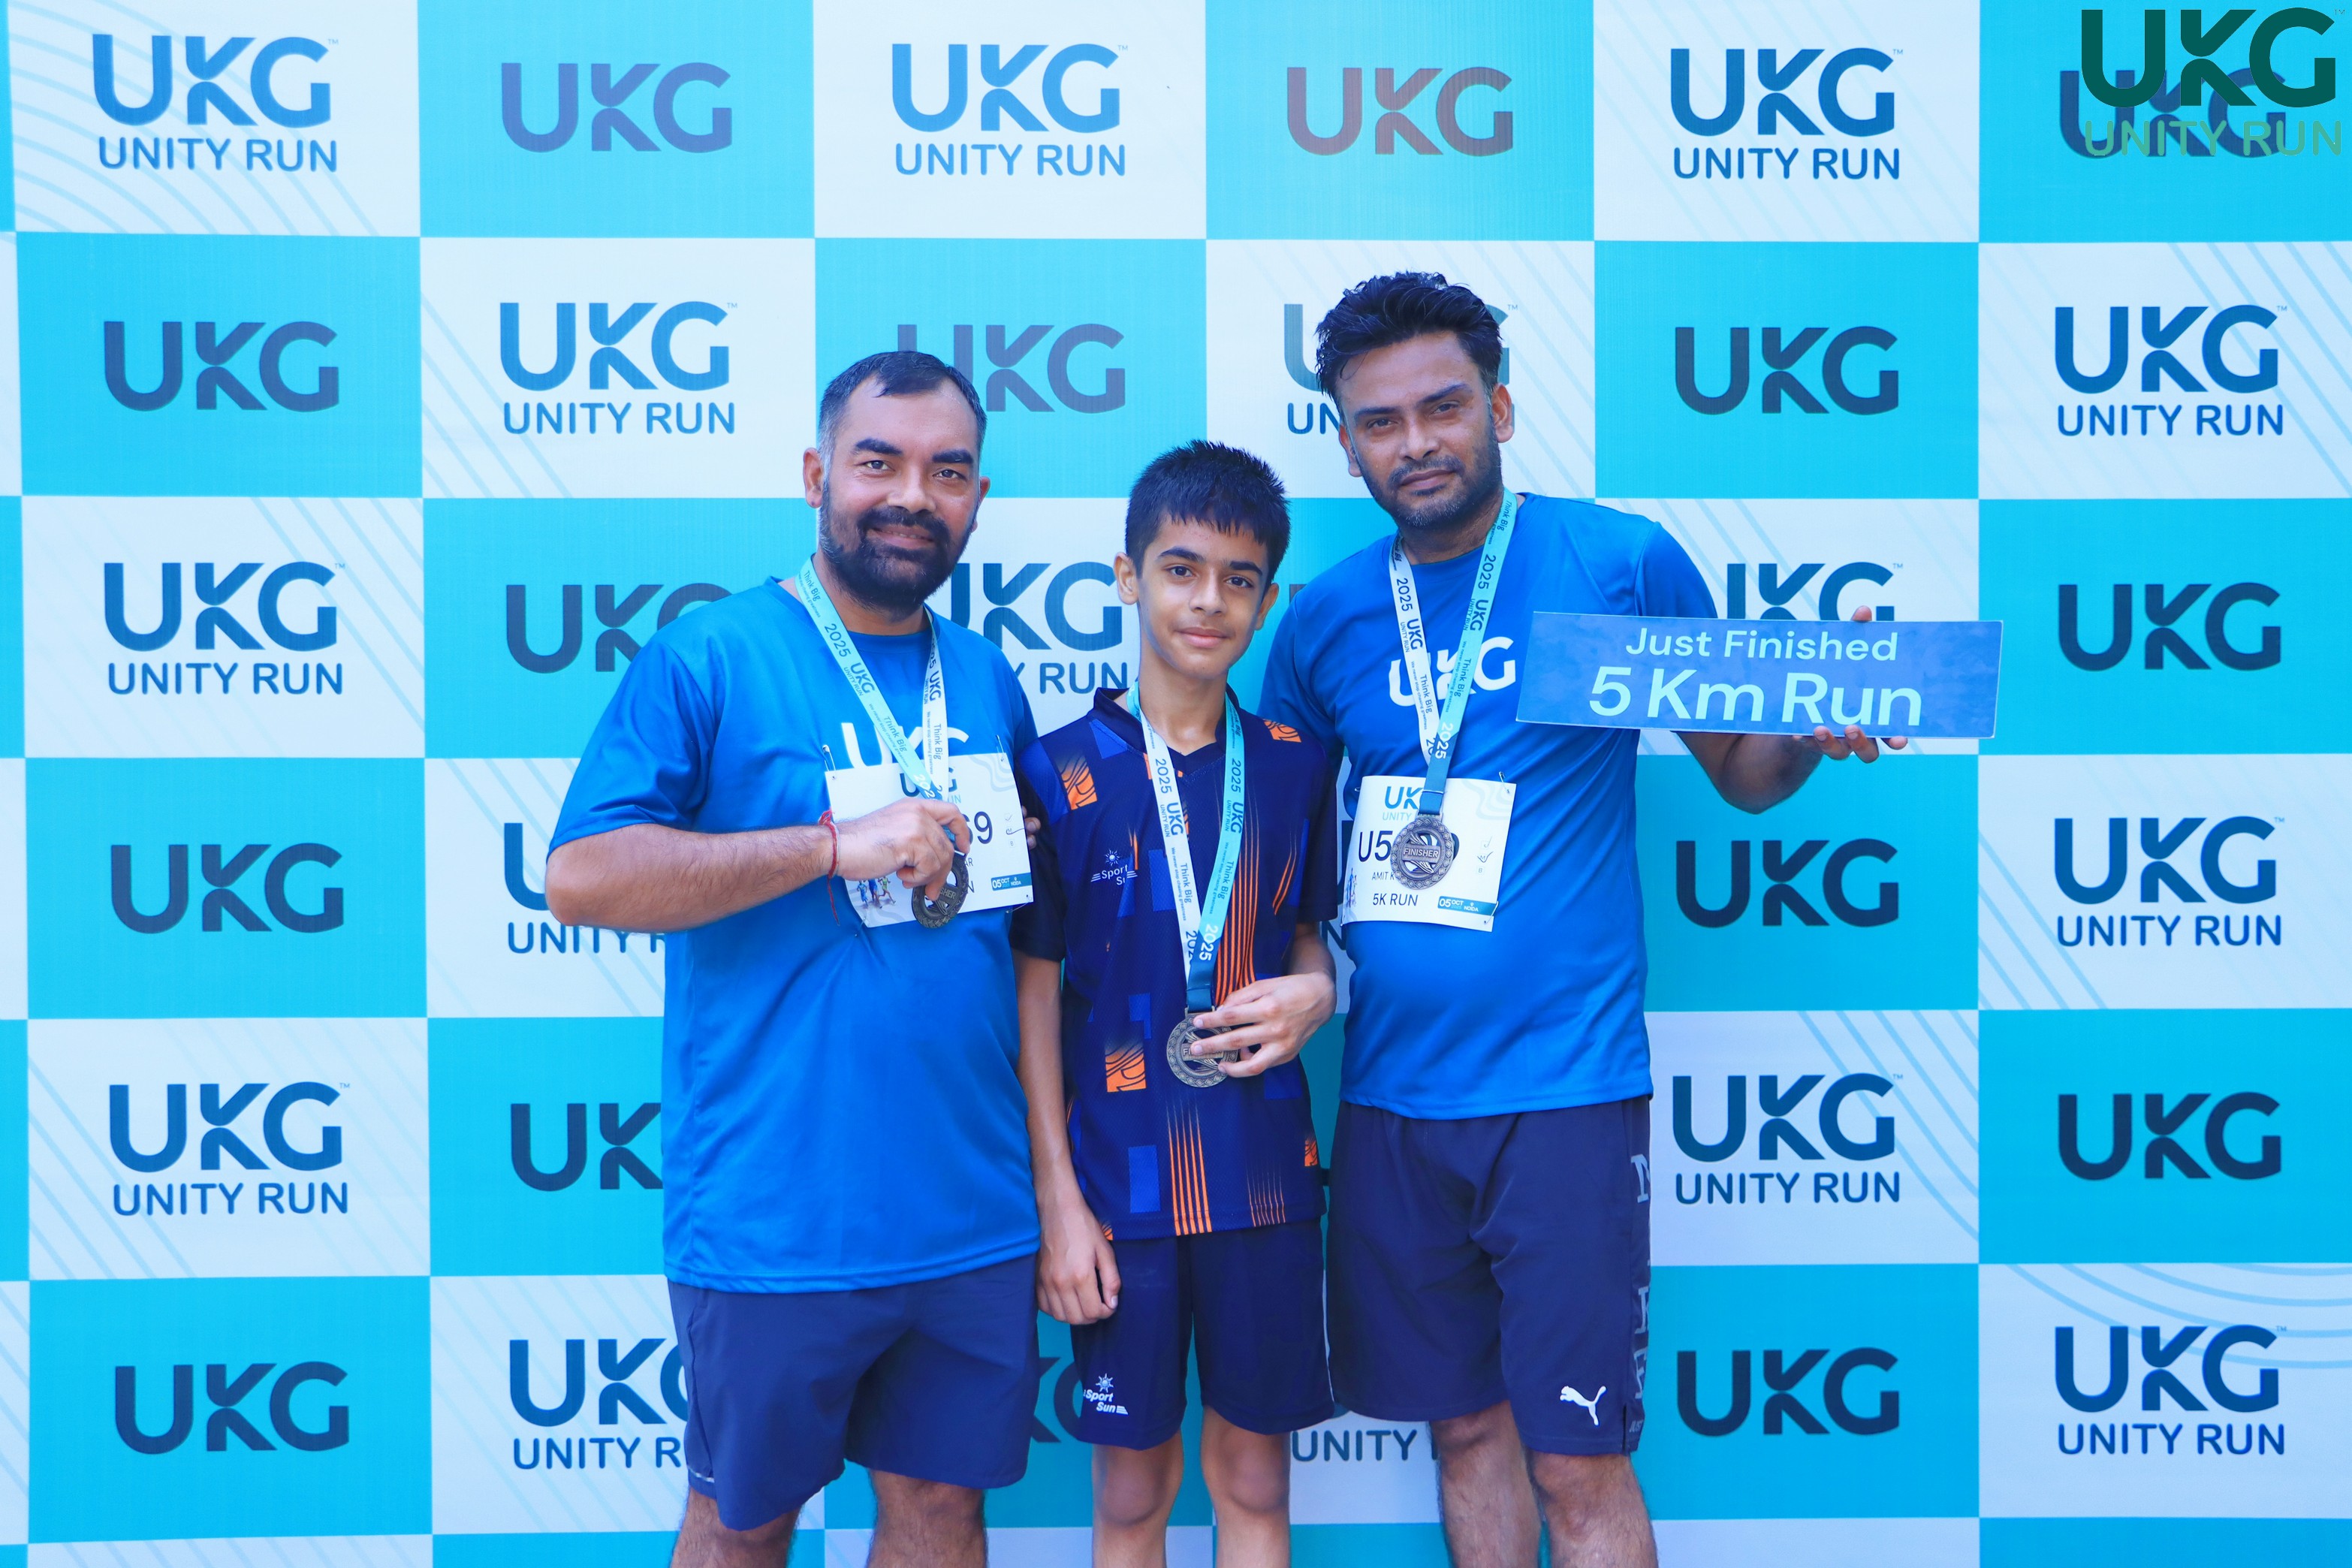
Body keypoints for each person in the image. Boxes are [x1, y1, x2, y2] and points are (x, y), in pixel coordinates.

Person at [1257, 275, 1906, 1568]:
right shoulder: (1323, 619)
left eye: (1444, 407)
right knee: (1465, 1436)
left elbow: (1744, 773)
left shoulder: (1618, 562)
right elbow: (1283, 860)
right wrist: (1305, 974)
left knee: (1578, 1460)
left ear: (1497, 408)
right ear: (1347, 443)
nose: (1416, 442)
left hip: (1565, 1095)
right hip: (1390, 1101)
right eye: (1380, 422)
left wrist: (1811, 729)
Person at [544, 350, 1043, 1568]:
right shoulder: (710, 656)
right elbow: (582, 876)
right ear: (819, 475)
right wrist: (830, 846)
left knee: (942, 1515)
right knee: (743, 1524)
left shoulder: (987, 678)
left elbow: (1019, 930)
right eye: (880, 463)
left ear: (978, 498)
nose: (912, 495)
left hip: (970, 1212)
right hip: (779, 1219)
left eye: (949, 472)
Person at [1014, 442, 1341, 1567]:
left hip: (1264, 1174)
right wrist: (1058, 1198)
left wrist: (1319, 987)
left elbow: (1310, 937)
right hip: (1116, 1184)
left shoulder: (1298, 764)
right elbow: (1034, 992)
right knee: (1130, 1494)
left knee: (1254, 1482)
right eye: (1181, 569)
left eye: (1239, 579)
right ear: (1127, 575)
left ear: (1269, 599)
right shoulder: (1053, 771)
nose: (1209, 601)